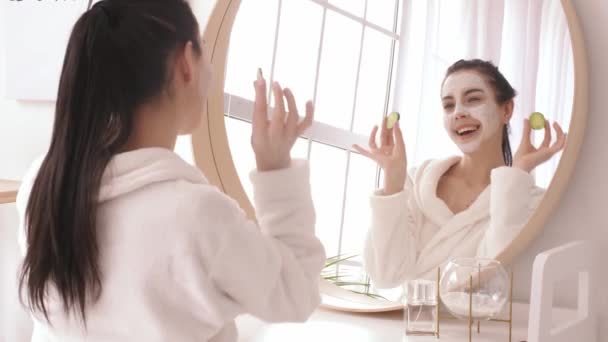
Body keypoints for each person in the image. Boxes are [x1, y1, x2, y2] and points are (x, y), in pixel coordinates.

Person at [15, 1, 325, 341]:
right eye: (205, 53)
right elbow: (297, 293)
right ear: (185, 64)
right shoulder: (197, 217)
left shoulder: (41, 187)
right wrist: (275, 169)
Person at [354, 59, 566, 287]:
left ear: (506, 109)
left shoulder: (529, 200)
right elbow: (385, 277)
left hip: (473, 323)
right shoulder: (417, 181)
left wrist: (518, 174)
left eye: (473, 99)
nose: (458, 113)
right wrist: (393, 185)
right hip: (402, 321)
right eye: (448, 105)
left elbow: (492, 279)